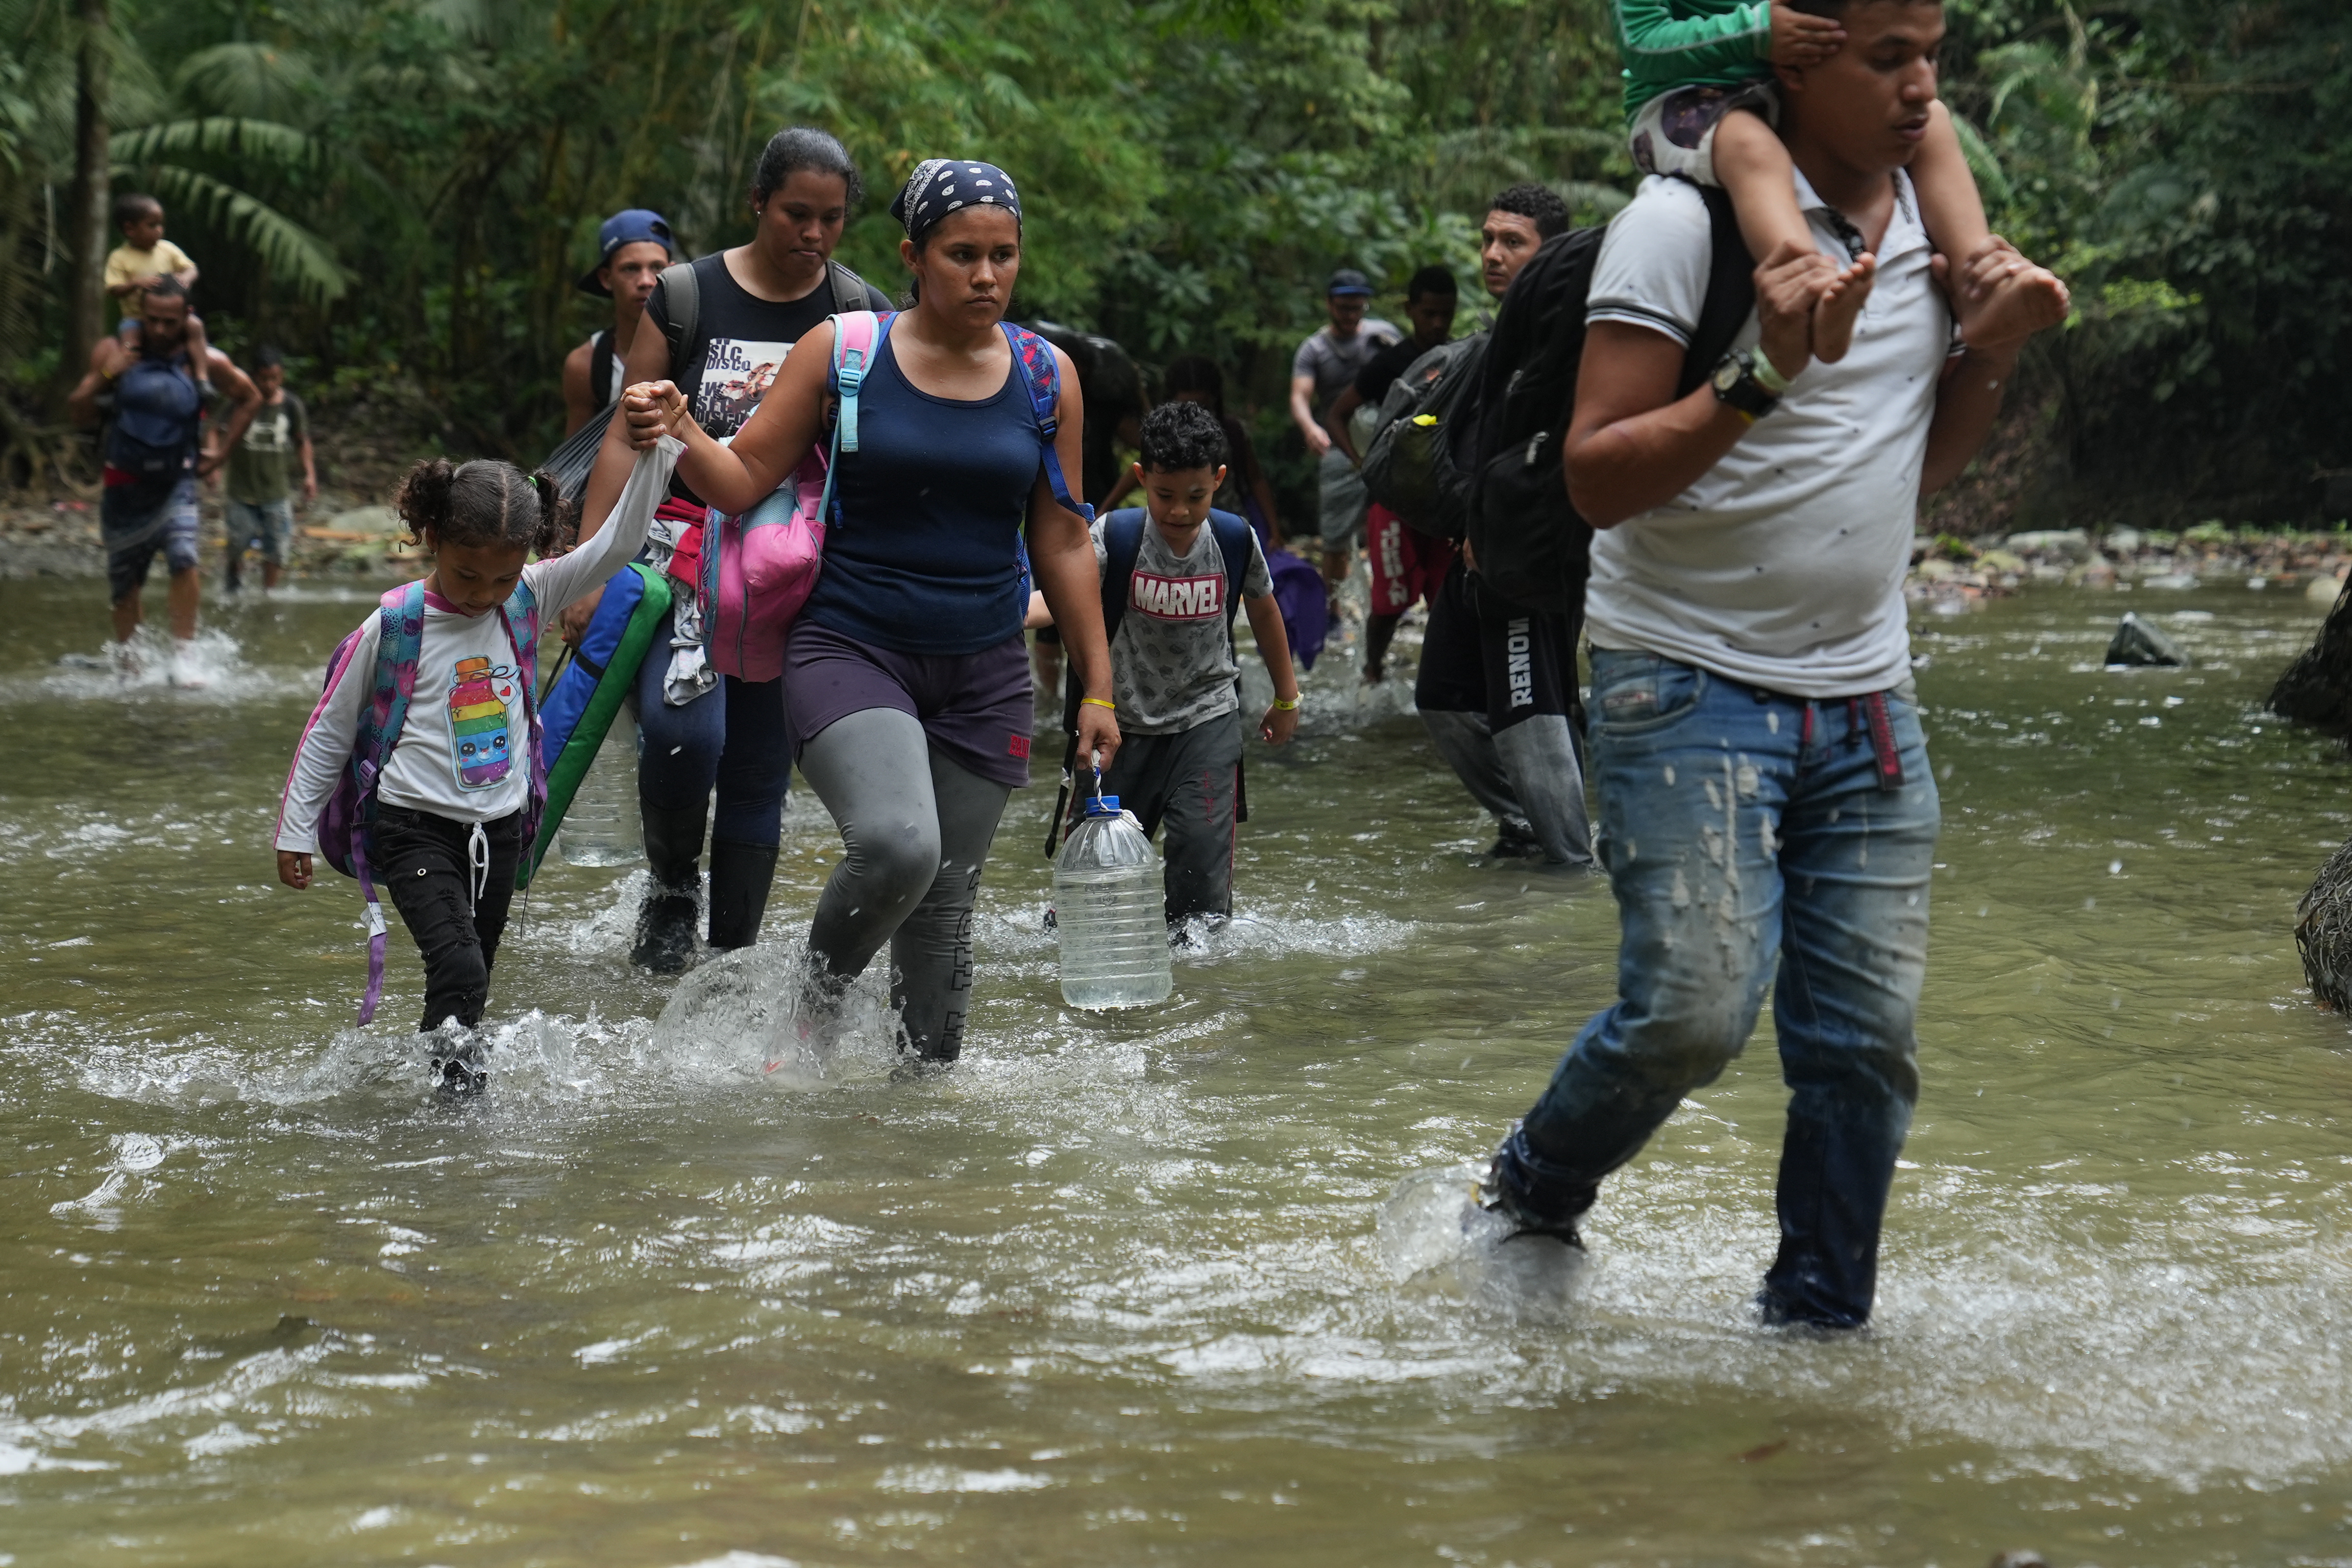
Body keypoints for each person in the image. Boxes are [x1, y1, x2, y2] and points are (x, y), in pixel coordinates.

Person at [1475, 0, 2067, 1329]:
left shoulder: (1929, 215)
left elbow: (1921, 471)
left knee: (1865, 1051)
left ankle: (1814, 1336)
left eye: (1933, 59)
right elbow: (1594, 478)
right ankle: (1530, 1190)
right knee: (1691, 1014)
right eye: (1887, 62)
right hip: (1682, 681)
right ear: (1798, 67)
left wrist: (1997, 348)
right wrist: (1758, 374)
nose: (1922, 90)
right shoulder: (1680, 227)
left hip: (1867, 698)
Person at [621, 157, 1119, 1063]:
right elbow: (739, 483)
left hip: (985, 668)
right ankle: (805, 1021)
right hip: (851, 648)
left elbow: (1061, 540)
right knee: (897, 847)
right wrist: (683, 428)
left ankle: (912, 1148)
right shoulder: (844, 351)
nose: (986, 275)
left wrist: (1098, 688)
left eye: (1003, 255)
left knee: (943, 921)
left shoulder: (1049, 377)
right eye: (962, 254)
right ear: (913, 257)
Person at [575, 128, 892, 973]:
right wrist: (589, 567)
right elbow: (623, 437)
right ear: (758, 203)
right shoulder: (684, 295)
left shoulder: (858, 311)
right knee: (686, 737)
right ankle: (675, 887)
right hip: (679, 553)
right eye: (796, 214)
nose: (813, 235)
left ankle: (731, 960)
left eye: (830, 219)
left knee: (757, 769)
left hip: (792, 566)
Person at [276, 440, 677, 1092]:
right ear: (432, 537)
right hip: (412, 826)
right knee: (459, 968)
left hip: (501, 828)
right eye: (467, 576)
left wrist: (659, 451)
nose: (485, 594)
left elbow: (620, 545)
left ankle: (448, 1100)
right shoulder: (396, 624)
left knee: (473, 977)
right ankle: (458, 1113)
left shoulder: (530, 598)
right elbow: (330, 728)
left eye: (502, 577)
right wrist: (295, 829)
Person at [1613, 0, 2066, 358]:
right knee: (1751, 147)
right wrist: (1755, 33)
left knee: (1935, 122)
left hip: (1779, 79)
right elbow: (1642, 45)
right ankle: (1808, 297)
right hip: (1681, 98)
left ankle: (1979, 284)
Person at [1411, 185, 1592, 867]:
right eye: (1487, 239)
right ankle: (1525, 824)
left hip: (1530, 558)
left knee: (1528, 710)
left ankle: (1571, 863)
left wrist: (1514, 536)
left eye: (1512, 242)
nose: (1492, 254)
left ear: (1552, 254)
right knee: (1444, 698)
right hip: (1475, 549)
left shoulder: (1569, 336)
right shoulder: (1497, 338)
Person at [1078, 400, 1300, 926]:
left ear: (1219, 480)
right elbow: (1066, 599)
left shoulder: (1233, 539)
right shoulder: (1115, 536)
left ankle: (1200, 992)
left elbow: (1265, 610)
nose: (1179, 511)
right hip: (1122, 725)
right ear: (1140, 478)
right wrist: (1008, 612)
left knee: (1200, 882)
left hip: (1208, 719)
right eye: (1165, 496)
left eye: (1196, 497)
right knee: (1094, 888)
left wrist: (1287, 697)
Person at [65, 277, 261, 686]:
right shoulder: (114, 352)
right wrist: (106, 373)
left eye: (169, 322)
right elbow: (78, 411)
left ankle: (184, 659)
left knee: (184, 558)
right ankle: (130, 668)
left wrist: (222, 453)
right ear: (141, 315)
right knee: (125, 588)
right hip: (122, 486)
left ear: (187, 319)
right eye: (151, 320)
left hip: (177, 483)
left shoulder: (205, 361)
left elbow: (250, 396)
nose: (158, 330)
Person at [1323, 265, 1460, 682]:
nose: (1437, 323)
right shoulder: (1390, 363)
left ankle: (1442, 683)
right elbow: (1337, 415)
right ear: (1411, 309)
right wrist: (1362, 463)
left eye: (1445, 314)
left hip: (1443, 506)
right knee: (1389, 602)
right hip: (1393, 503)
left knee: (1447, 600)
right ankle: (1373, 671)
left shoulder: (1461, 359)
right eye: (1428, 313)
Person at [1288, 270, 1398, 600]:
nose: (1350, 315)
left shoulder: (1384, 336)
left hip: (1386, 445)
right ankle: (1332, 610)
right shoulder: (1314, 349)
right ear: (1329, 305)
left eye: (1357, 307)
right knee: (1335, 538)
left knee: (1394, 528)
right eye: (1343, 308)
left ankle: (1393, 600)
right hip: (1339, 449)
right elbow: (1299, 396)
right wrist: (1311, 429)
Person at [562, 209, 675, 436]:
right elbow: (573, 461)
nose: (646, 281)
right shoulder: (587, 365)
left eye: (657, 268)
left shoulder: (698, 353)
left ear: (673, 273)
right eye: (631, 268)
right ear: (606, 278)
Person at [222, 346, 315, 594]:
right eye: (264, 379)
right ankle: (233, 584)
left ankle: (269, 593)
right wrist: (213, 466)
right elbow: (216, 430)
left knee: (276, 546)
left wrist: (309, 475)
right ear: (254, 377)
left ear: (281, 376)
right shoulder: (240, 402)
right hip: (241, 490)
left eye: (275, 378)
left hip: (276, 491)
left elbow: (302, 440)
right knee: (237, 542)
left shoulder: (291, 406)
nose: (269, 384)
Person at [105, 193, 212, 396]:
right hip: (137, 318)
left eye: (160, 225)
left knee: (195, 326)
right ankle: (116, 386)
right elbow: (113, 289)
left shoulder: (167, 250)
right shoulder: (119, 258)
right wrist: (135, 284)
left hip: (171, 315)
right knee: (129, 344)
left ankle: (202, 378)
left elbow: (191, 268)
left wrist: (186, 279)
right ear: (130, 229)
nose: (159, 230)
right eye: (152, 225)